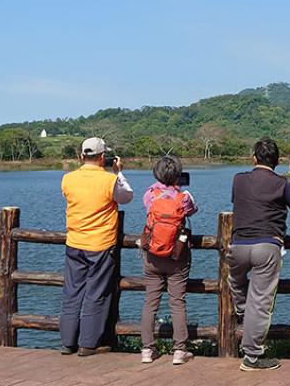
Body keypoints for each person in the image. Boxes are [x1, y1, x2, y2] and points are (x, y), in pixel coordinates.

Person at [228, 137, 290, 371]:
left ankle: (241, 310)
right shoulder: (282, 183)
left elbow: (240, 204)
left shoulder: (238, 179)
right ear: (278, 161)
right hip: (267, 246)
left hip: (238, 245)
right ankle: (252, 357)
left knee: (235, 280)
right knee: (260, 302)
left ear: (254, 158)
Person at [59, 137, 133, 356]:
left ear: (82, 156)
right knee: (96, 294)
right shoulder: (108, 180)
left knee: (72, 293)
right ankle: (88, 344)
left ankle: (67, 342)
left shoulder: (68, 179)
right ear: (103, 157)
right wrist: (118, 172)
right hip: (100, 243)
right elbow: (127, 196)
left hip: (74, 242)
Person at [140, 154, 198, 365]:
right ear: (178, 175)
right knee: (177, 302)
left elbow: (147, 208)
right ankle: (179, 350)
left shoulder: (150, 195)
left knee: (150, 302)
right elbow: (193, 210)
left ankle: (147, 349)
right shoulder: (184, 198)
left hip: (153, 255)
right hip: (177, 256)